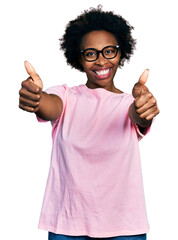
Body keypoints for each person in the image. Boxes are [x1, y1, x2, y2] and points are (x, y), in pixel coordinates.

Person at [19, 6, 159, 240]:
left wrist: (144, 108)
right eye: (91, 53)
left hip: (124, 227)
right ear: (79, 58)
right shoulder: (66, 95)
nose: (101, 60)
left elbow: (139, 116)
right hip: (67, 224)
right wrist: (35, 97)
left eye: (109, 51)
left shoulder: (129, 102)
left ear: (120, 53)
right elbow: (48, 105)